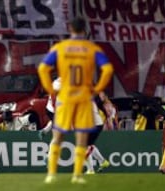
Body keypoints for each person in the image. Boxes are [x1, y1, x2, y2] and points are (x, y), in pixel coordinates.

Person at [37, 17, 114, 184]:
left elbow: (43, 68)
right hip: (84, 98)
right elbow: (107, 70)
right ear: (84, 30)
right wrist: (97, 88)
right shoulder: (91, 48)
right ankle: (77, 175)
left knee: (57, 136)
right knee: (81, 138)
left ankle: (51, 174)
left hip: (65, 99)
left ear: (70, 28)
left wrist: (50, 89)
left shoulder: (60, 48)